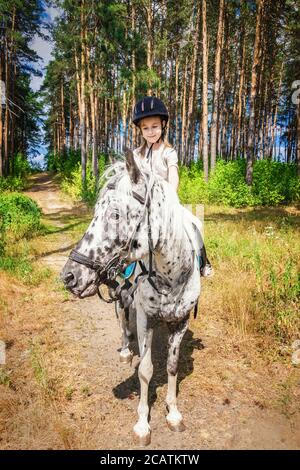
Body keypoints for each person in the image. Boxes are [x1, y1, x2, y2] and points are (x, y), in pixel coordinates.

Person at [130, 95, 214, 278]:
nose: (150, 131)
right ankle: (124, 266)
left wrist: (170, 197)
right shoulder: (137, 154)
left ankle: (203, 263)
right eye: (145, 128)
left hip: (166, 202)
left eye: (154, 127)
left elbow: (173, 175)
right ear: (140, 130)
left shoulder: (168, 152)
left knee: (195, 223)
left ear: (163, 126)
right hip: (141, 204)